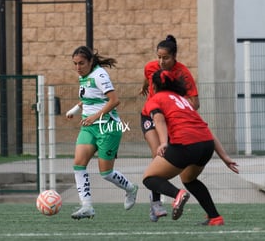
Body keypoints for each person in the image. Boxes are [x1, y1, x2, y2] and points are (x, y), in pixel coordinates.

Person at [142, 69, 239, 226]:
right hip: (206, 145)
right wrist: (225, 157)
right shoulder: (183, 100)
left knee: (149, 178)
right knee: (189, 179)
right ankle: (215, 217)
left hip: (186, 145)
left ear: (153, 85)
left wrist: (163, 142)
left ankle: (178, 194)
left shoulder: (155, 99)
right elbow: (204, 128)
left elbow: (158, 120)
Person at [66, 46, 138, 220]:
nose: (78, 67)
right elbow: (88, 98)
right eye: (75, 64)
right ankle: (87, 206)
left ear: (91, 61)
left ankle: (131, 188)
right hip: (89, 127)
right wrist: (75, 110)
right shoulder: (83, 76)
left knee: (106, 173)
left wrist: (95, 116)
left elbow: (115, 101)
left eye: (81, 63)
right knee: (78, 164)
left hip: (108, 127)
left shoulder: (100, 75)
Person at [139, 34, 199, 222]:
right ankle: (157, 205)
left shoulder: (183, 73)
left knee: (163, 160)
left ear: (174, 57)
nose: (161, 61)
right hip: (150, 115)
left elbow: (195, 103)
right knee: (157, 155)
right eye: (159, 57)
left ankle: (160, 200)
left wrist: (177, 110)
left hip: (171, 121)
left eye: (165, 58)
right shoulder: (151, 67)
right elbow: (148, 77)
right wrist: (144, 88)